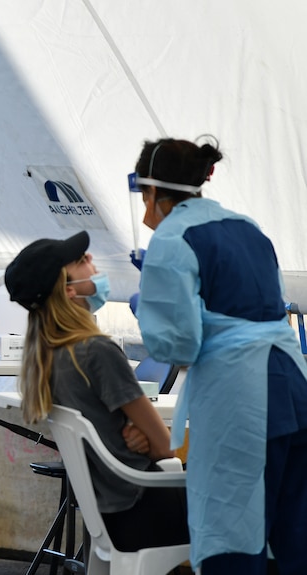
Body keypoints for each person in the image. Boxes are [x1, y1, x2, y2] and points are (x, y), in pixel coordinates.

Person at [128, 136, 307, 574]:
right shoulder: (245, 225)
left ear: (151, 192)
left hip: (241, 401)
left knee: (233, 536)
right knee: (295, 539)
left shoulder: (171, 240)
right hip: (295, 388)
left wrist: (145, 307)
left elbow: (177, 345)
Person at [4, 230, 190, 554]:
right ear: (68, 291)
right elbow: (165, 448)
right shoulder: (97, 352)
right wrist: (146, 440)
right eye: (80, 261)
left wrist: (136, 435)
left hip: (110, 516)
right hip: (148, 508)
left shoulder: (47, 357)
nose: (92, 261)